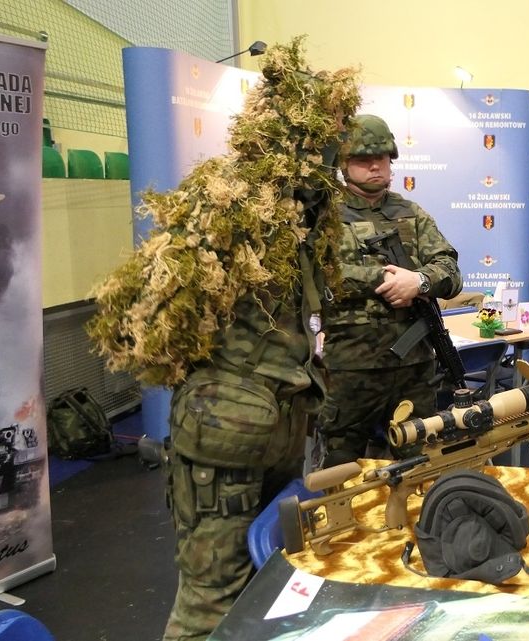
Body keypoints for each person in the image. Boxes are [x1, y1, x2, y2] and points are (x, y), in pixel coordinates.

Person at [150, 52, 362, 641]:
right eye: (325, 136)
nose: (333, 154)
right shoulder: (227, 206)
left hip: (277, 425)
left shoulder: (304, 216)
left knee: (267, 581)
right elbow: (154, 320)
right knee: (211, 597)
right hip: (227, 431)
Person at [317, 114, 462, 468]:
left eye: (381, 158)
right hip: (351, 371)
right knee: (341, 468)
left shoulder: (411, 213)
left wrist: (419, 282)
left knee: (418, 465)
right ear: (343, 163)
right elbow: (319, 276)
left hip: (413, 370)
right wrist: (382, 279)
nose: (374, 167)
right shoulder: (324, 216)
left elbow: (450, 270)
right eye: (363, 160)